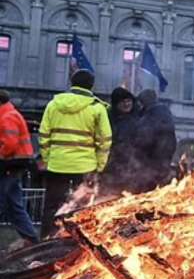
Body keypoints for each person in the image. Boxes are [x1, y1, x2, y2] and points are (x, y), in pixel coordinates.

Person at [40, 69, 112, 237]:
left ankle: (47, 239)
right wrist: (100, 165)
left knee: (52, 205)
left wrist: (48, 158)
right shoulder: (96, 108)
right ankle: (79, 243)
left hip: (58, 165)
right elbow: (105, 140)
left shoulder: (53, 105)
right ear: (91, 85)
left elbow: (44, 136)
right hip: (85, 166)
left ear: (71, 83)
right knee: (85, 207)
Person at [0, 90, 38, 245]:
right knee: (13, 205)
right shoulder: (9, 113)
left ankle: (31, 238)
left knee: (6, 202)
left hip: (9, 164)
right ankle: (31, 238)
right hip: (14, 165)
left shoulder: (7, 116)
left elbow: (9, 144)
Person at [132, 89, 177, 193]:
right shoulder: (163, 113)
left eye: (141, 102)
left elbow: (144, 138)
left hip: (153, 162)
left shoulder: (152, 115)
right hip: (161, 161)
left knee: (149, 191)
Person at [100, 87, 139, 195]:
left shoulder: (138, 116)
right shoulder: (108, 118)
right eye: (122, 102)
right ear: (116, 104)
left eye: (128, 101)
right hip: (112, 165)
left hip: (133, 166)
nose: (126, 104)